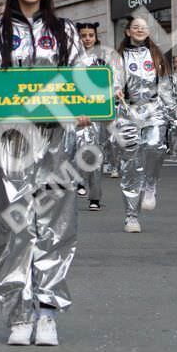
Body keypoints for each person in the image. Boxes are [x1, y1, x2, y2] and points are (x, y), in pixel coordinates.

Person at [0, 0, 91, 346]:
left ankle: (47, 311)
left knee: (56, 227)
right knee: (14, 228)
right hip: (9, 143)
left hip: (56, 141)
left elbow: (82, 80)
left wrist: (85, 110)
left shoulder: (66, 31)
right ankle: (18, 315)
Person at [111, 16, 174, 233]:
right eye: (135, 27)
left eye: (143, 27)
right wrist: (115, 90)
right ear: (128, 31)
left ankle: (150, 184)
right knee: (131, 166)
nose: (140, 30)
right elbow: (112, 81)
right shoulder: (118, 57)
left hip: (153, 110)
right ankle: (131, 216)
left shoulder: (156, 55)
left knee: (156, 147)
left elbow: (164, 85)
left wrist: (174, 111)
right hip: (127, 112)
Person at [74, 22, 111, 211]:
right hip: (75, 113)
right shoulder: (71, 58)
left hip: (96, 112)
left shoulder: (102, 59)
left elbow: (110, 82)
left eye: (91, 35)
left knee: (95, 154)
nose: (87, 39)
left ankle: (95, 197)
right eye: (83, 35)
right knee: (76, 150)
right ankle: (79, 180)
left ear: (96, 37)